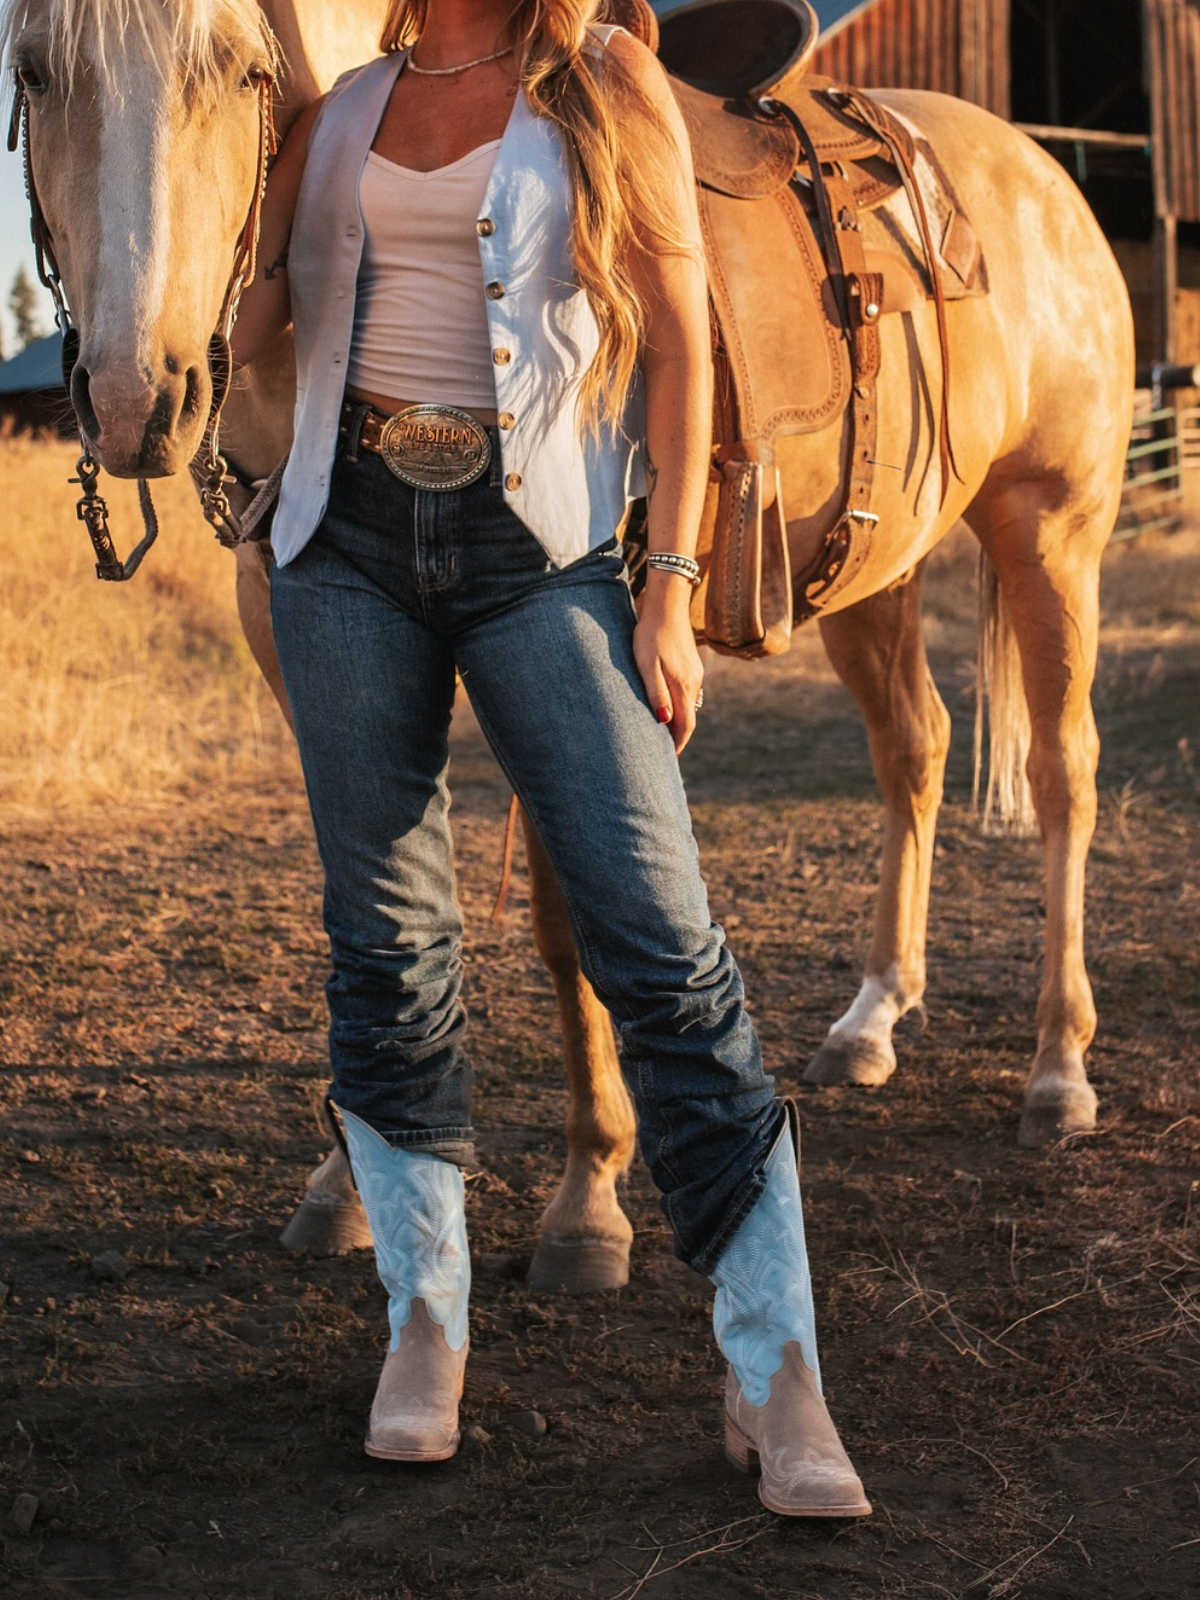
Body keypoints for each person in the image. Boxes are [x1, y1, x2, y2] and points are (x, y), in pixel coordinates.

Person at [232, 0, 870, 1518]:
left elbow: (681, 331)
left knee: (660, 944)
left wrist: (666, 577)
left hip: (550, 554)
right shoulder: (338, 106)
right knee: (386, 942)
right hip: (345, 550)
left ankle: (775, 1365)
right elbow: (251, 326)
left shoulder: (602, 82)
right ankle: (426, 1323)